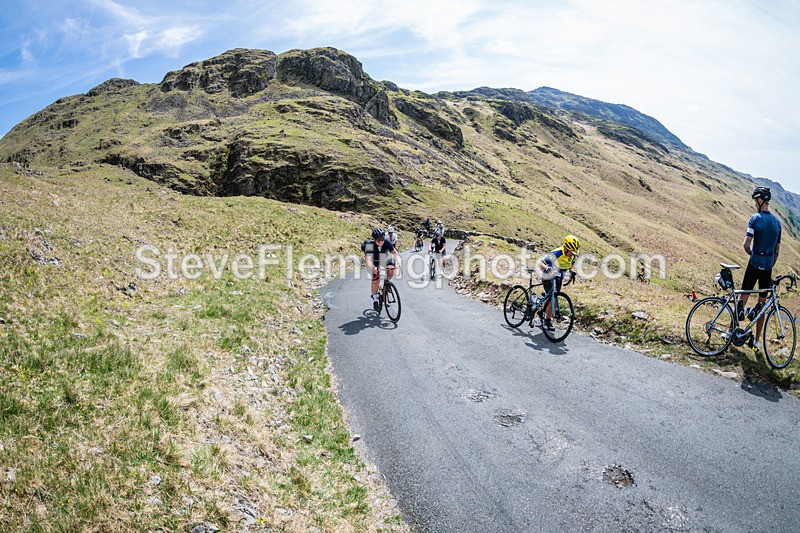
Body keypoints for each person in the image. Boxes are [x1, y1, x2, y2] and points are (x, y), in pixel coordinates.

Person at [737, 186, 781, 352]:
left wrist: (753, 255)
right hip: (767, 268)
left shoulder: (754, 218)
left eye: (755, 200)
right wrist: (768, 264)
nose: (755, 203)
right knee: (761, 305)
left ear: (760, 200)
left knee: (742, 299)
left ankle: (729, 332)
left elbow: (746, 245)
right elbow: (777, 252)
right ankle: (755, 342)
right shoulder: (777, 223)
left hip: (754, 264)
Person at [539, 235, 580, 331]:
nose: (572, 254)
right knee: (554, 300)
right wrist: (547, 268)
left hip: (558, 278)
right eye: (571, 252)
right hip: (548, 276)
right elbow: (541, 264)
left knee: (552, 298)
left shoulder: (573, 255)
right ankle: (547, 320)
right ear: (565, 248)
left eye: (574, 252)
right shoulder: (556, 253)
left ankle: (542, 311)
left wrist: (571, 270)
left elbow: (571, 263)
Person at [363, 227, 401, 311]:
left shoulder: (386, 242)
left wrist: (398, 263)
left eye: (382, 240)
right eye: (378, 241)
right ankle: (375, 299)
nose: (381, 242)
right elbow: (368, 260)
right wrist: (373, 268)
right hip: (373, 261)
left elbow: (394, 253)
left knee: (391, 270)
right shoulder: (370, 245)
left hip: (383, 259)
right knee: (375, 281)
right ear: (374, 239)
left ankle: (385, 284)